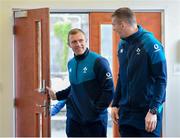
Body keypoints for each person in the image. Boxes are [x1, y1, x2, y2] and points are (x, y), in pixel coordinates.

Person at [47, 28, 114, 137]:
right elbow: (74, 87)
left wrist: (95, 111)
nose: (78, 44)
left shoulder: (99, 61)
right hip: (74, 120)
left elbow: (109, 90)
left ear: (86, 41)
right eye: (74, 42)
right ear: (69, 44)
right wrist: (57, 95)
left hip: (95, 121)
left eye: (81, 40)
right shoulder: (71, 64)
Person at [111, 7, 167, 137]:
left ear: (123, 25)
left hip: (146, 113)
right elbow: (122, 76)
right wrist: (115, 103)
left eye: (114, 25)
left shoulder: (151, 44)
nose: (113, 28)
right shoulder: (121, 45)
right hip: (126, 114)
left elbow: (161, 79)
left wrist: (153, 111)